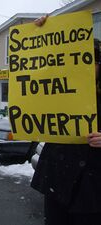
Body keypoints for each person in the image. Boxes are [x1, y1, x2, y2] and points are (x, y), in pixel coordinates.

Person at [31, 16, 101, 225]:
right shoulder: (57, 87)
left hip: (93, 188)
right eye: (78, 58)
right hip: (57, 179)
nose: (84, 65)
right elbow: (34, 69)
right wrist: (41, 33)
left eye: (91, 59)